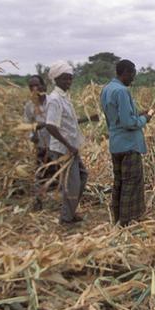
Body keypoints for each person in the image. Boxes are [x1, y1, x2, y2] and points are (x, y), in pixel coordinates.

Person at [100, 59, 153, 226]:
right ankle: (127, 220)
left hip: (116, 143)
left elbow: (116, 117)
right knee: (131, 182)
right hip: (129, 144)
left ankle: (117, 217)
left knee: (119, 181)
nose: (133, 79)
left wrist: (137, 114)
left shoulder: (107, 89)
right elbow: (128, 123)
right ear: (126, 73)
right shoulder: (122, 91)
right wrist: (145, 118)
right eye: (132, 75)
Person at [45, 61, 97, 225]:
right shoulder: (54, 99)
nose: (68, 82)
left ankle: (70, 213)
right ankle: (66, 219)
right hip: (64, 149)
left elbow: (68, 122)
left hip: (71, 147)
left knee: (82, 177)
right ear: (56, 79)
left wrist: (89, 118)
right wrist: (68, 146)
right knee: (73, 184)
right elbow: (50, 126)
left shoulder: (64, 97)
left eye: (70, 79)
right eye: (65, 79)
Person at [23, 74, 52, 211]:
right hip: (40, 146)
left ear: (43, 86)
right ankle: (38, 202)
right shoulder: (29, 106)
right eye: (31, 86)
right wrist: (32, 134)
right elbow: (27, 125)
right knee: (39, 175)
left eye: (37, 85)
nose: (35, 88)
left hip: (57, 145)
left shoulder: (53, 102)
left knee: (61, 174)